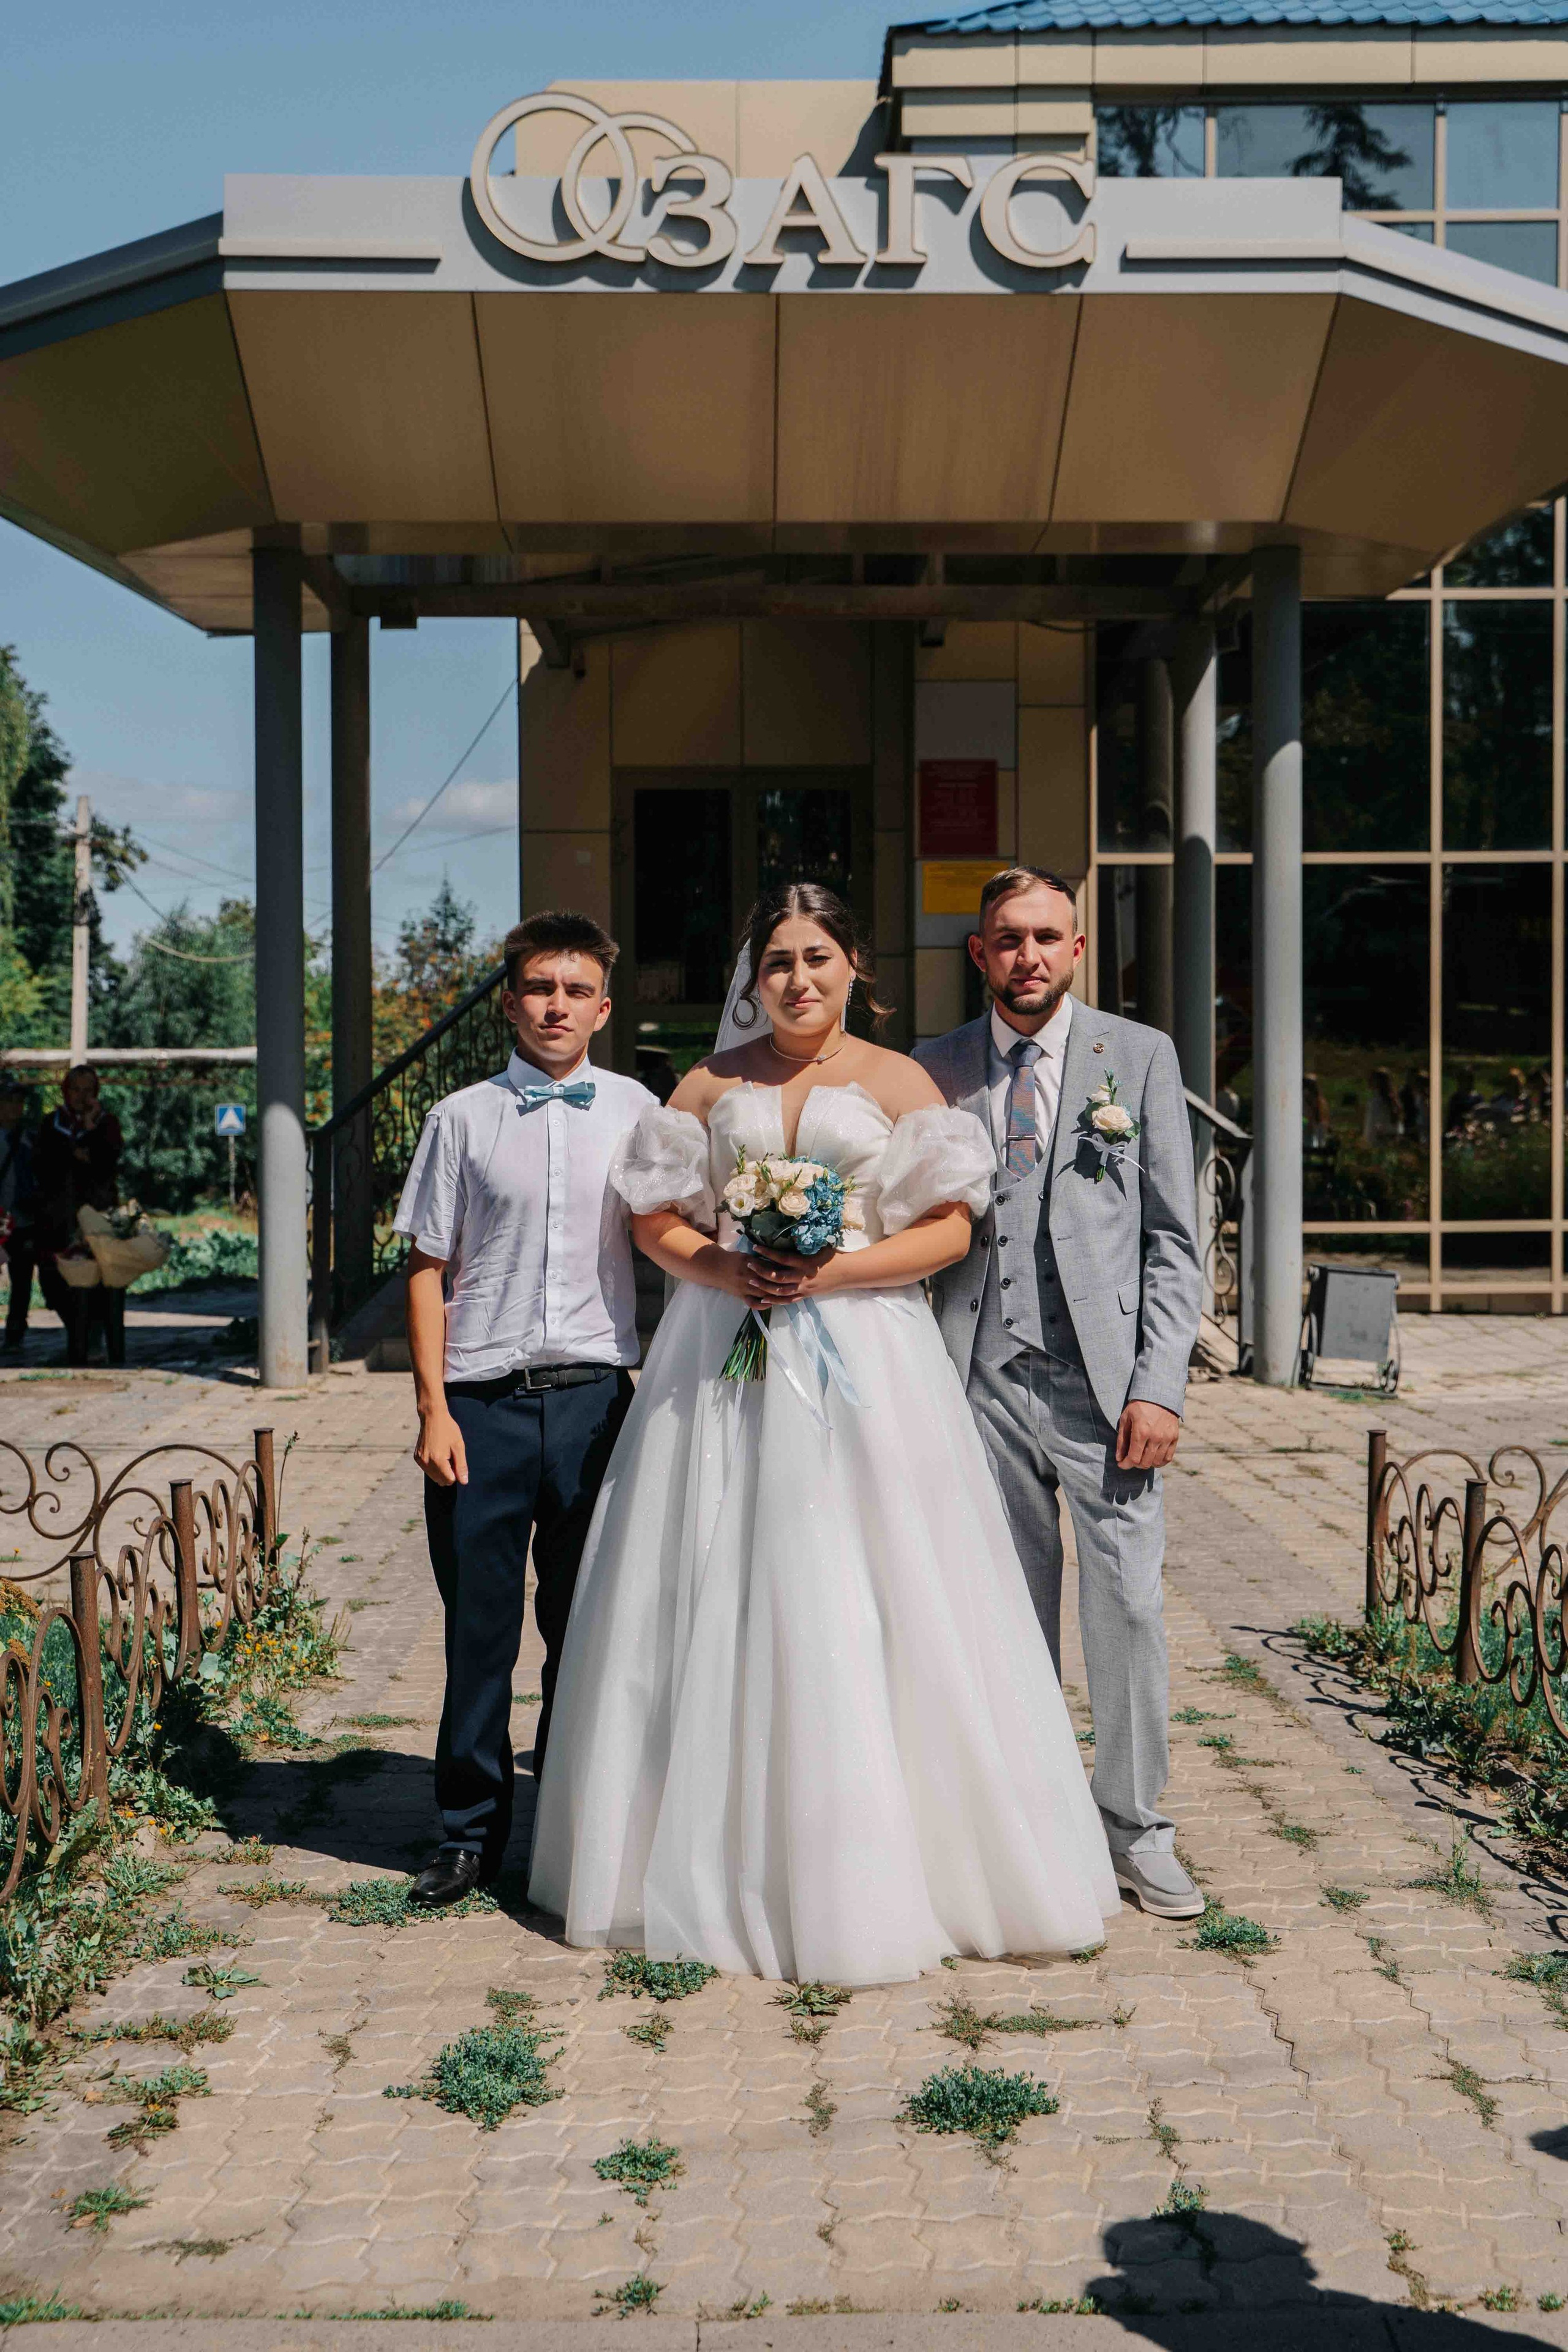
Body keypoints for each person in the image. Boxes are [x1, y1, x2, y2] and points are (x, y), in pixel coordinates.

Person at [529, 881, 1118, 1986]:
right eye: (777, 963)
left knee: (870, 1580)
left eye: (817, 958)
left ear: (857, 968)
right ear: (752, 981)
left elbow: (947, 1228)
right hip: (724, 1353)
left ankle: (895, 1865)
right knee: (710, 1575)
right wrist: (723, 1269)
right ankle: (689, 1855)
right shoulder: (707, 1084)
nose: (798, 980)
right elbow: (653, 1217)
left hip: (865, 1359)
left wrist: (830, 1272)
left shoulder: (904, 1082)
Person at [915, 867, 1204, 1921]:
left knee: (1126, 1605)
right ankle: (1031, 1825)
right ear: (980, 954)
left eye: (1046, 936)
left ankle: (1135, 1826)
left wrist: (1160, 1386)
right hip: (976, 1376)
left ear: (1077, 949)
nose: (1027, 954)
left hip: (1107, 1389)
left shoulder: (1140, 1057)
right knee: (1006, 1610)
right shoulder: (932, 1068)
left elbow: (1175, 1237)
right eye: (1007, 938)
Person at [393, 912, 657, 1910]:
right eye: (539, 988)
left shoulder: (639, 1109)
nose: (556, 1005)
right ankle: (466, 1837)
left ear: (603, 1004)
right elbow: (425, 1267)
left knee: (591, 1629)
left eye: (575, 989)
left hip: (597, 1410)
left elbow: (675, 1244)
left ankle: (580, 1833)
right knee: (480, 1636)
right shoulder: (460, 1119)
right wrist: (434, 1409)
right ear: (511, 1002)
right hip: (482, 1414)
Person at [33, 1065, 124, 1366]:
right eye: (76, 1090)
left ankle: (91, 1340)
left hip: (97, 1216)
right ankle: (77, 1334)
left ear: (96, 1094)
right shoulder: (51, 1123)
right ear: (66, 1092)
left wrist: (88, 1130)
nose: (82, 1097)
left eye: (88, 1090)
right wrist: (80, 1151)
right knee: (52, 1280)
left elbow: (107, 1159)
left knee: (96, 1282)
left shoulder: (108, 1124)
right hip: (57, 1218)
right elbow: (47, 1161)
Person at [0, 1081, 37, 1351]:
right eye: (9, 1100)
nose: (15, 1107)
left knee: (23, 1279)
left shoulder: (30, 1138)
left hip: (22, 1219)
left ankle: (15, 1330)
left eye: (18, 1101)